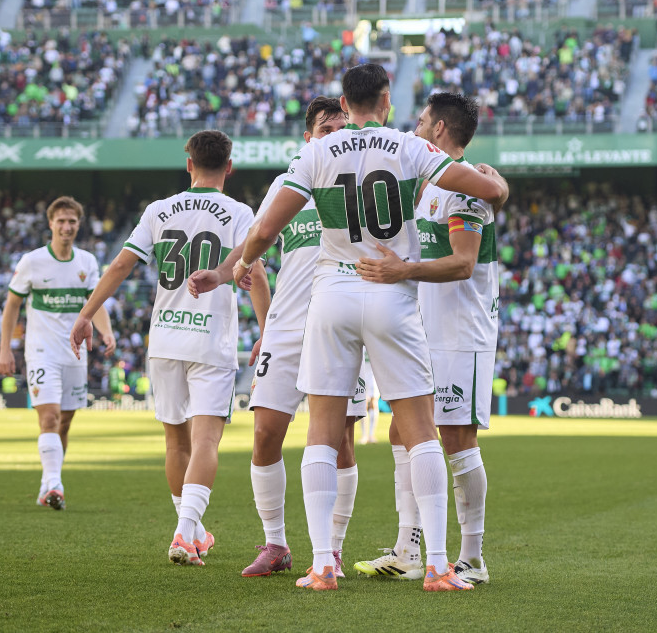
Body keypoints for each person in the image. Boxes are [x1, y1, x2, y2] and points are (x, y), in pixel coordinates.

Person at [219, 62, 507, 591]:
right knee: (420, 431)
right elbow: (483, 189)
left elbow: (264, 228)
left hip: (331, 294)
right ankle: (440, 565)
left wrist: (241, 263)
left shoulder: (314, 152)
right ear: (385, 99)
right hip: (391, 293)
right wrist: (498, 183)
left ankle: (323, 563)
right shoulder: (408, 147)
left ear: (344, 104)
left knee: (322, 434)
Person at [71, 130, 269, 566]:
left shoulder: (159, 209)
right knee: (206, 441)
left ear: (188, 165)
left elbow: (122, 264)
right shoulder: (239, 212)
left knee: (175, 442)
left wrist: (85, 314)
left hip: (164, 337)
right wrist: (266, 328)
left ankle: (193, 531)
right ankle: (184, 533)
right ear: (229, 168)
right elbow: (251, 269)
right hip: (210, 338)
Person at [188, 98, 363, 579]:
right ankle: (277, 545)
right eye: (325, 128)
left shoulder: (360, 179)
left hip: (342, 322)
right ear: (308, 137)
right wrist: (225, 275)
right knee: (265, 434)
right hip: (287, 324)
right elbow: (256, 241)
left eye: (342, 127)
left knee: (340, 440)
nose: (334, 134)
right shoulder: (291, 182)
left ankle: (333, 549)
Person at [354, 91, 501, 585]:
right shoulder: (428, 186)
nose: (414, 129)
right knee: (402, 429)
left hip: (462, 335)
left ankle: (473, 556)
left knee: (457, 440)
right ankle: (408, 546)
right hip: (423, 330)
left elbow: (463, 263)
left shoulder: (465, 191)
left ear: (439, 130)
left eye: (420, 122)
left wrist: (403, 271)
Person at [0, 196, 115, 510]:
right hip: (41, 352)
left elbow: (94, 303)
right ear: (50, 224)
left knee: (64, 422)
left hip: (75, 353)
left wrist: (106, 331)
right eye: (61, 221)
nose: (66, 227)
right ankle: (56, 485)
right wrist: (5, 349)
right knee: (48, 418)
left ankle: (48, 482)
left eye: (72, 221)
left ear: (79, 225)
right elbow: (12, 305)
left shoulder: (87, 262)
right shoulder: (32, 262)